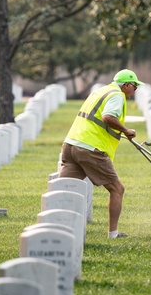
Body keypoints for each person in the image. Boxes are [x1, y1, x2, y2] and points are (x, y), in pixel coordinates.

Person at [59, 69, 142, 238]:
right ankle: (113, 233)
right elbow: (108, 117)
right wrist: (126, 130)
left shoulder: (100, 91)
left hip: (71, 144)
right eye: (134, 87)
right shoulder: (117, 95)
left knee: (63, 190)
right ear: (126, 85)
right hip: (91, 149)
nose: (134, 91)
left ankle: (55, 226)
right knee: (117, 189)